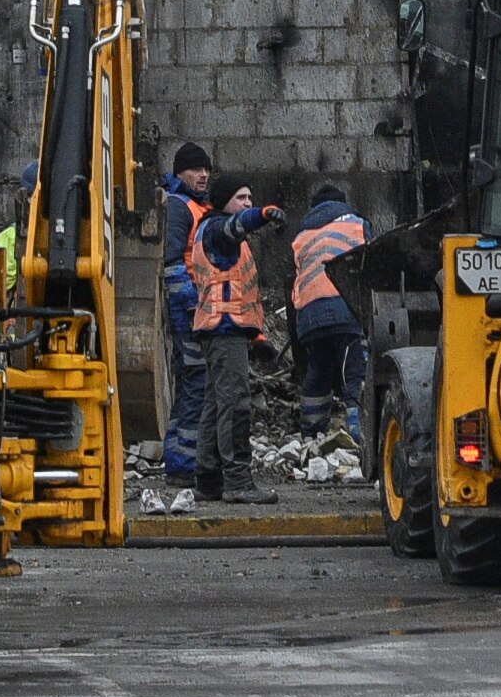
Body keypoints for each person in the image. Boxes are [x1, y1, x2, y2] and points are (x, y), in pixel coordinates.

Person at [181, 166, 283, 502]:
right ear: (225, 202)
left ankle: (208, 479)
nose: (246, 202)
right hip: (223, 332)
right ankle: (238, 481)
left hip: (223, 331)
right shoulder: (217, 231)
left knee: (215, 403)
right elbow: (236, 226)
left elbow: (236, 293)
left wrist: (257, 337)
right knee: (235, 404)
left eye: (250, 198)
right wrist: (263, 214)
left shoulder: (218, 236)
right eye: (241, 197)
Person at [156, 144, 222, 483]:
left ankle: (183, 460)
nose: (203, 175)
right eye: (196, 169)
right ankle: (183, 466)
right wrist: (193, 306)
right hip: (190, 312)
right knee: (196, 383)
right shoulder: (181, 207)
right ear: (181, 173)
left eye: (206, 169)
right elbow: (172, 264)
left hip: (196, 309)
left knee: (193, 384)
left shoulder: (195, 206)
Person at [287, 182, 370, 425]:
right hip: (346, 309)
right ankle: (359, 433)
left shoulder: (301, 235)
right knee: (355, 372)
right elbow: (373, 263)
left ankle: (312, 431)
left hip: (310, 315)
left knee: (318, 371)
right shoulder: (357, 224)